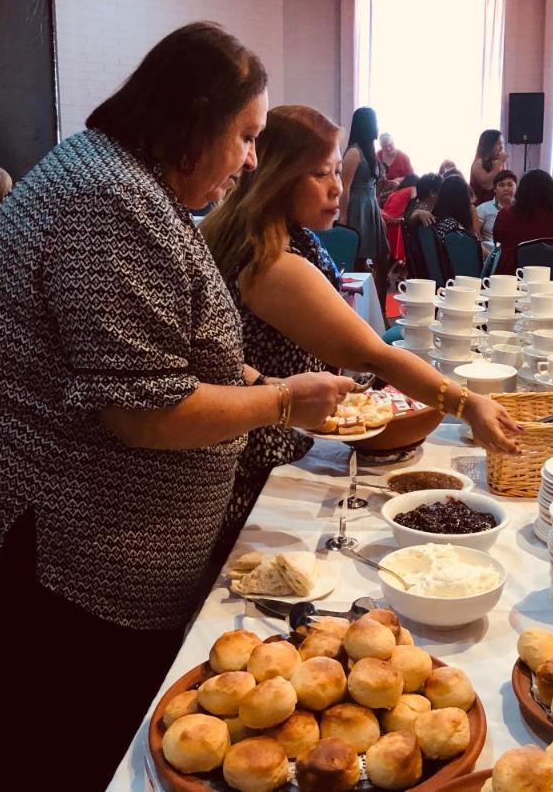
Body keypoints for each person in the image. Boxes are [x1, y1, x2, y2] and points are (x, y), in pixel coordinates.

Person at [0, 22, 353, 792]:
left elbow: (139, 352)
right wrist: (280, 399)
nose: (251, 160)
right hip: (14, 532)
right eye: (245, 136)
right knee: (14, 747)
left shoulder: (125, 182)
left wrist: (235, 373)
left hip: (50, 527)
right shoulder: (109, 199)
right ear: (194, 118)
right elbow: (138, 411)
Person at [205, 105, 520, 557]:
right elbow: (372, 354)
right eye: (319, 175)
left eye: (337, 171)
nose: (337, 187)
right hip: (259, 466)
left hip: (278, 442)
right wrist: (468, 404)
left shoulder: (276, 236)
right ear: (277, 179)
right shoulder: (272, 263)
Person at [340, 106, 390, 305]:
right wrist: (343, 218)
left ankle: (380, 306)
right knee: (359, 260)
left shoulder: (370, 152)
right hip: (358, 209)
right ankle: (363, 307)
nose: (377, 126)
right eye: (374, 122)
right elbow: (345, 188)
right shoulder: (354, 153)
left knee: (383, 257)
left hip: (370, 207)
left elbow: (373, 187)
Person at [492, 169, 553, 276]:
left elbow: (497, 240)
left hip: (512, 278)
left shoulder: (505, 215)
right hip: (552, 279)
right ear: (552, 191)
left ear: (520, 190)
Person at [477, 169, 516, 248]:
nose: (506, 189)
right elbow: (475, 235)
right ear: (494, 189)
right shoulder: (483, 209)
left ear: (516, 187)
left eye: (510, 185)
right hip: (491, 253)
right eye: (501, 185)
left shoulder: (523, 210)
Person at [469, 129, 508, 205]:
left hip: (496, 207)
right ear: (488, 145)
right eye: (498, 143)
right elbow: (487, 185)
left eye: (502, 143)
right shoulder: (478, 163)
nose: (501, 147)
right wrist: (500, 163)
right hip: (480, 209)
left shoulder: (499, 163)